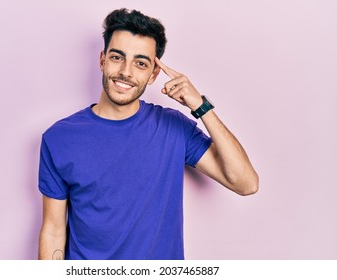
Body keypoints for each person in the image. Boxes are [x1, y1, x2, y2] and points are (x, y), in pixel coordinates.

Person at [38, 8, 258, 260]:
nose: (126, 72)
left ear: (153, 74)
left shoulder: (173, 127)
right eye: (117, 57)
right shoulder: (59, 138)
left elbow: (245, 183)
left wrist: (200, 106)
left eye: (141, 63)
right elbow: (53, 229)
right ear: (102, 60)